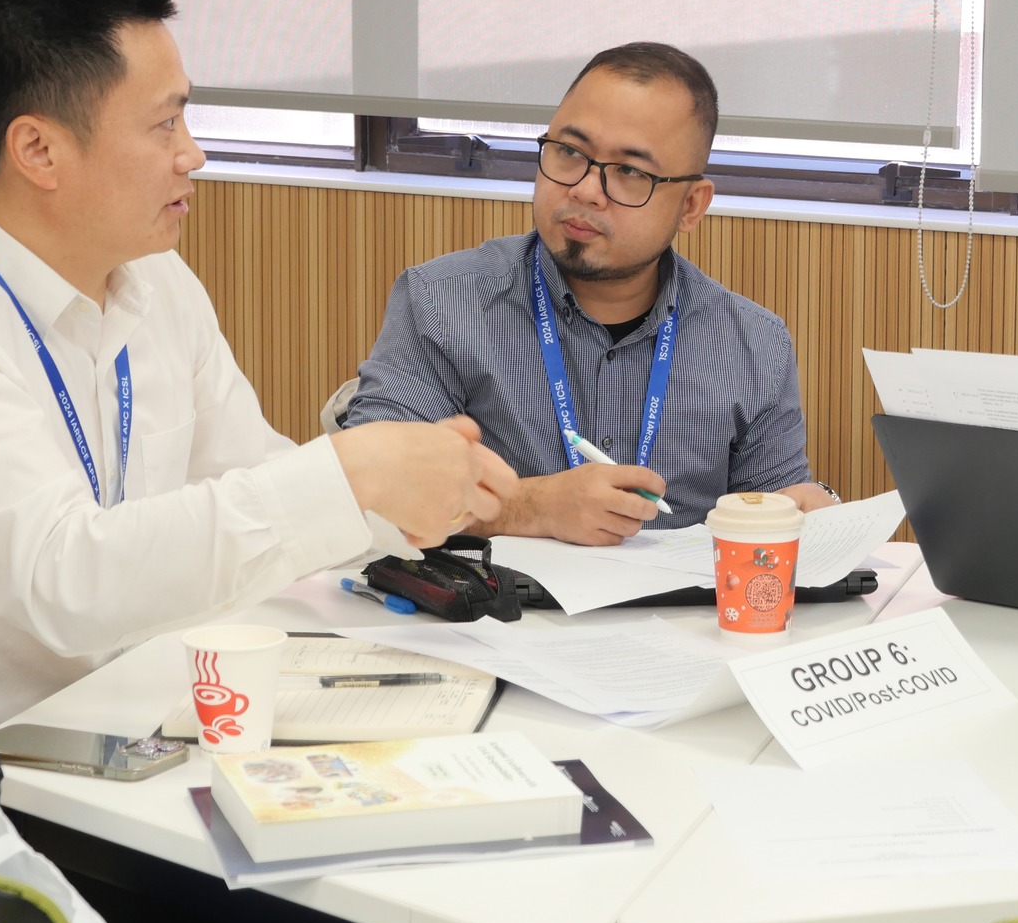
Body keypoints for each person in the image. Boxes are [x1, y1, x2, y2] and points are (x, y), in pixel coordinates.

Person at [0, 0, 517, 796]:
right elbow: (64, 580)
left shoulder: (152, 280)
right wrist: (349, 475)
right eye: (164, 125)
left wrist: (397, 499)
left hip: (103, 746)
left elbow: (242, 474)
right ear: (37, 148)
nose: (195, 155)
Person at [346, 41, 834, 546]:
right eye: (571, 152)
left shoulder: (754, 343)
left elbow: (772, 534)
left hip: (680, 622)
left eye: (629, 172)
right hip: (493, 617)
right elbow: (369, 503)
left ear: (691, 205)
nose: (583, 189)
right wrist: (531, 507)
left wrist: (807, 512)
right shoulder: (441, 304)